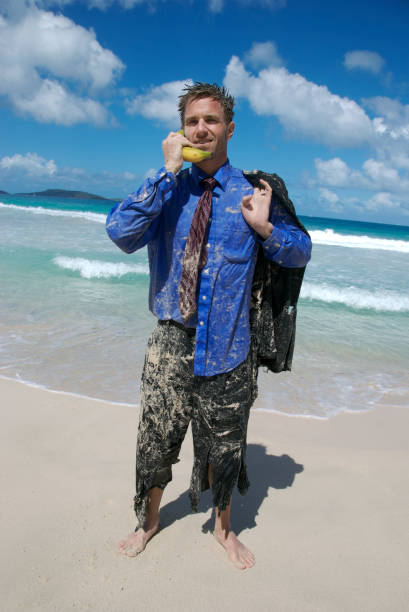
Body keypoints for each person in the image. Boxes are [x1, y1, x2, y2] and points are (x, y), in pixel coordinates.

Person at [106, 82, 312, 570]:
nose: (202, 128)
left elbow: (300, 249)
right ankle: (149, 522)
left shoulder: (257, 191)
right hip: (171, 337)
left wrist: (266, 229)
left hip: (229, 344)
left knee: (225, 444)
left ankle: (223, 529)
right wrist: (165, 174)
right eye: (193, 121)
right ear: (182, 129)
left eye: (211, 120)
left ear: (229, 128)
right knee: (156, 435)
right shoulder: (168, 187)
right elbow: (120, 233)